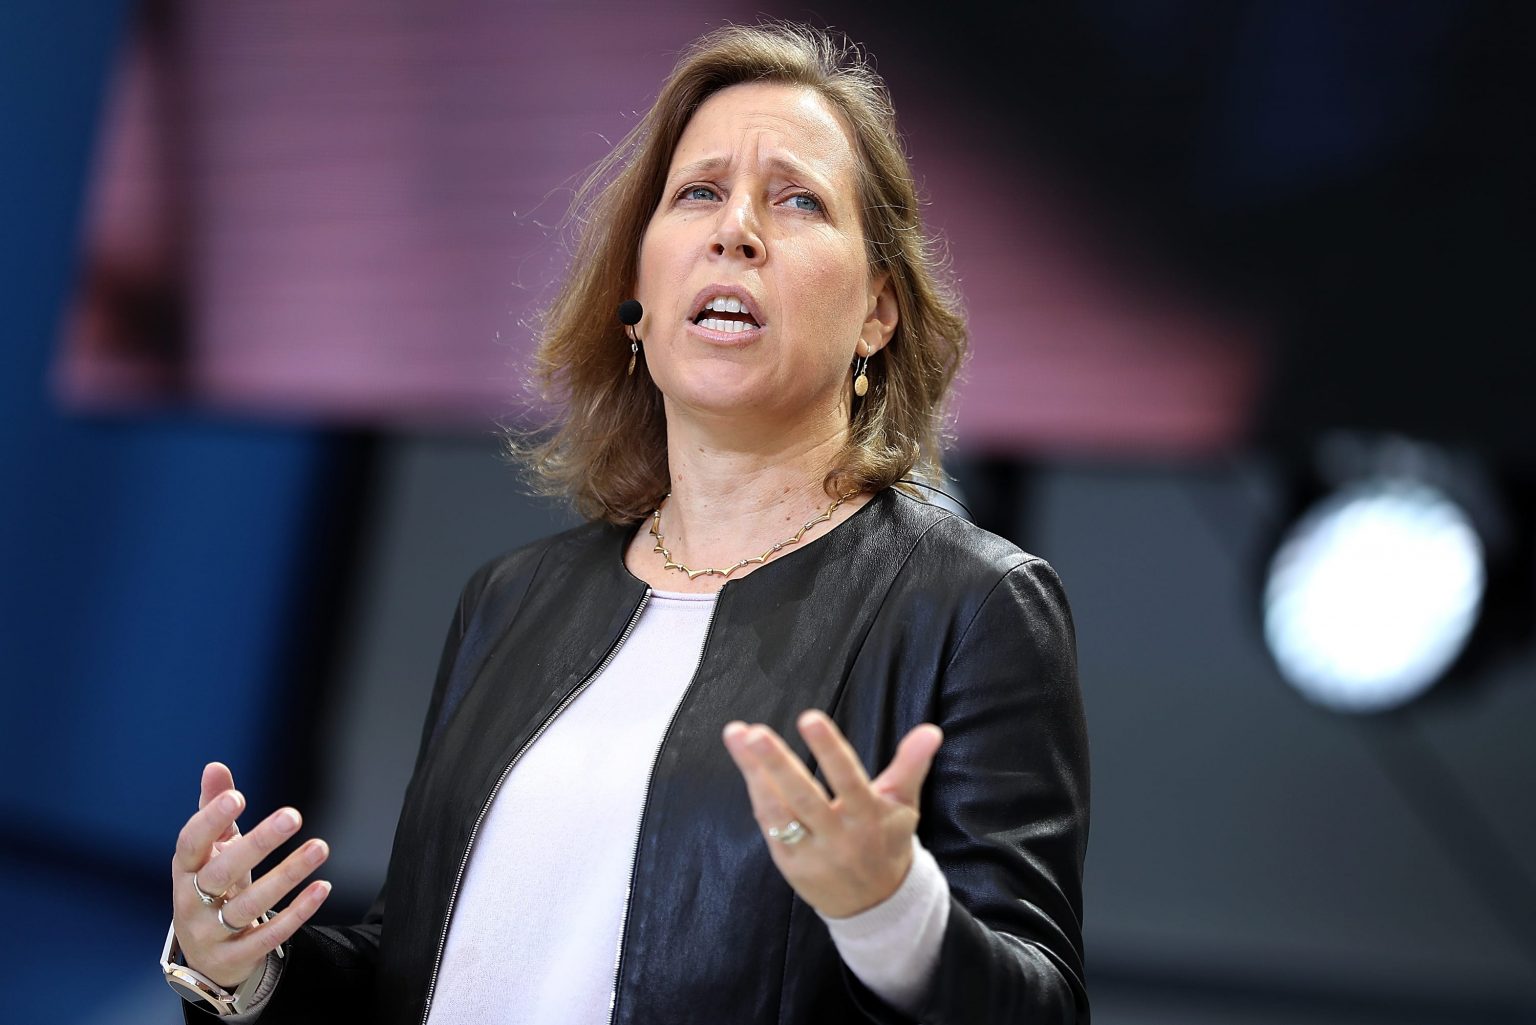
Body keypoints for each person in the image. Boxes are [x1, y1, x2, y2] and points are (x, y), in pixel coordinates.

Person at [161, 21, 1091, 1025]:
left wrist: (893, 915)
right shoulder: (511, 599)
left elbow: (1041, 1005)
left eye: (799, 200)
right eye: (698, 193)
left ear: (879, 311)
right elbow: (421, 964)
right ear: (638, 295)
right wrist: (241, 965)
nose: (737, 230)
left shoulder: (972, 605)